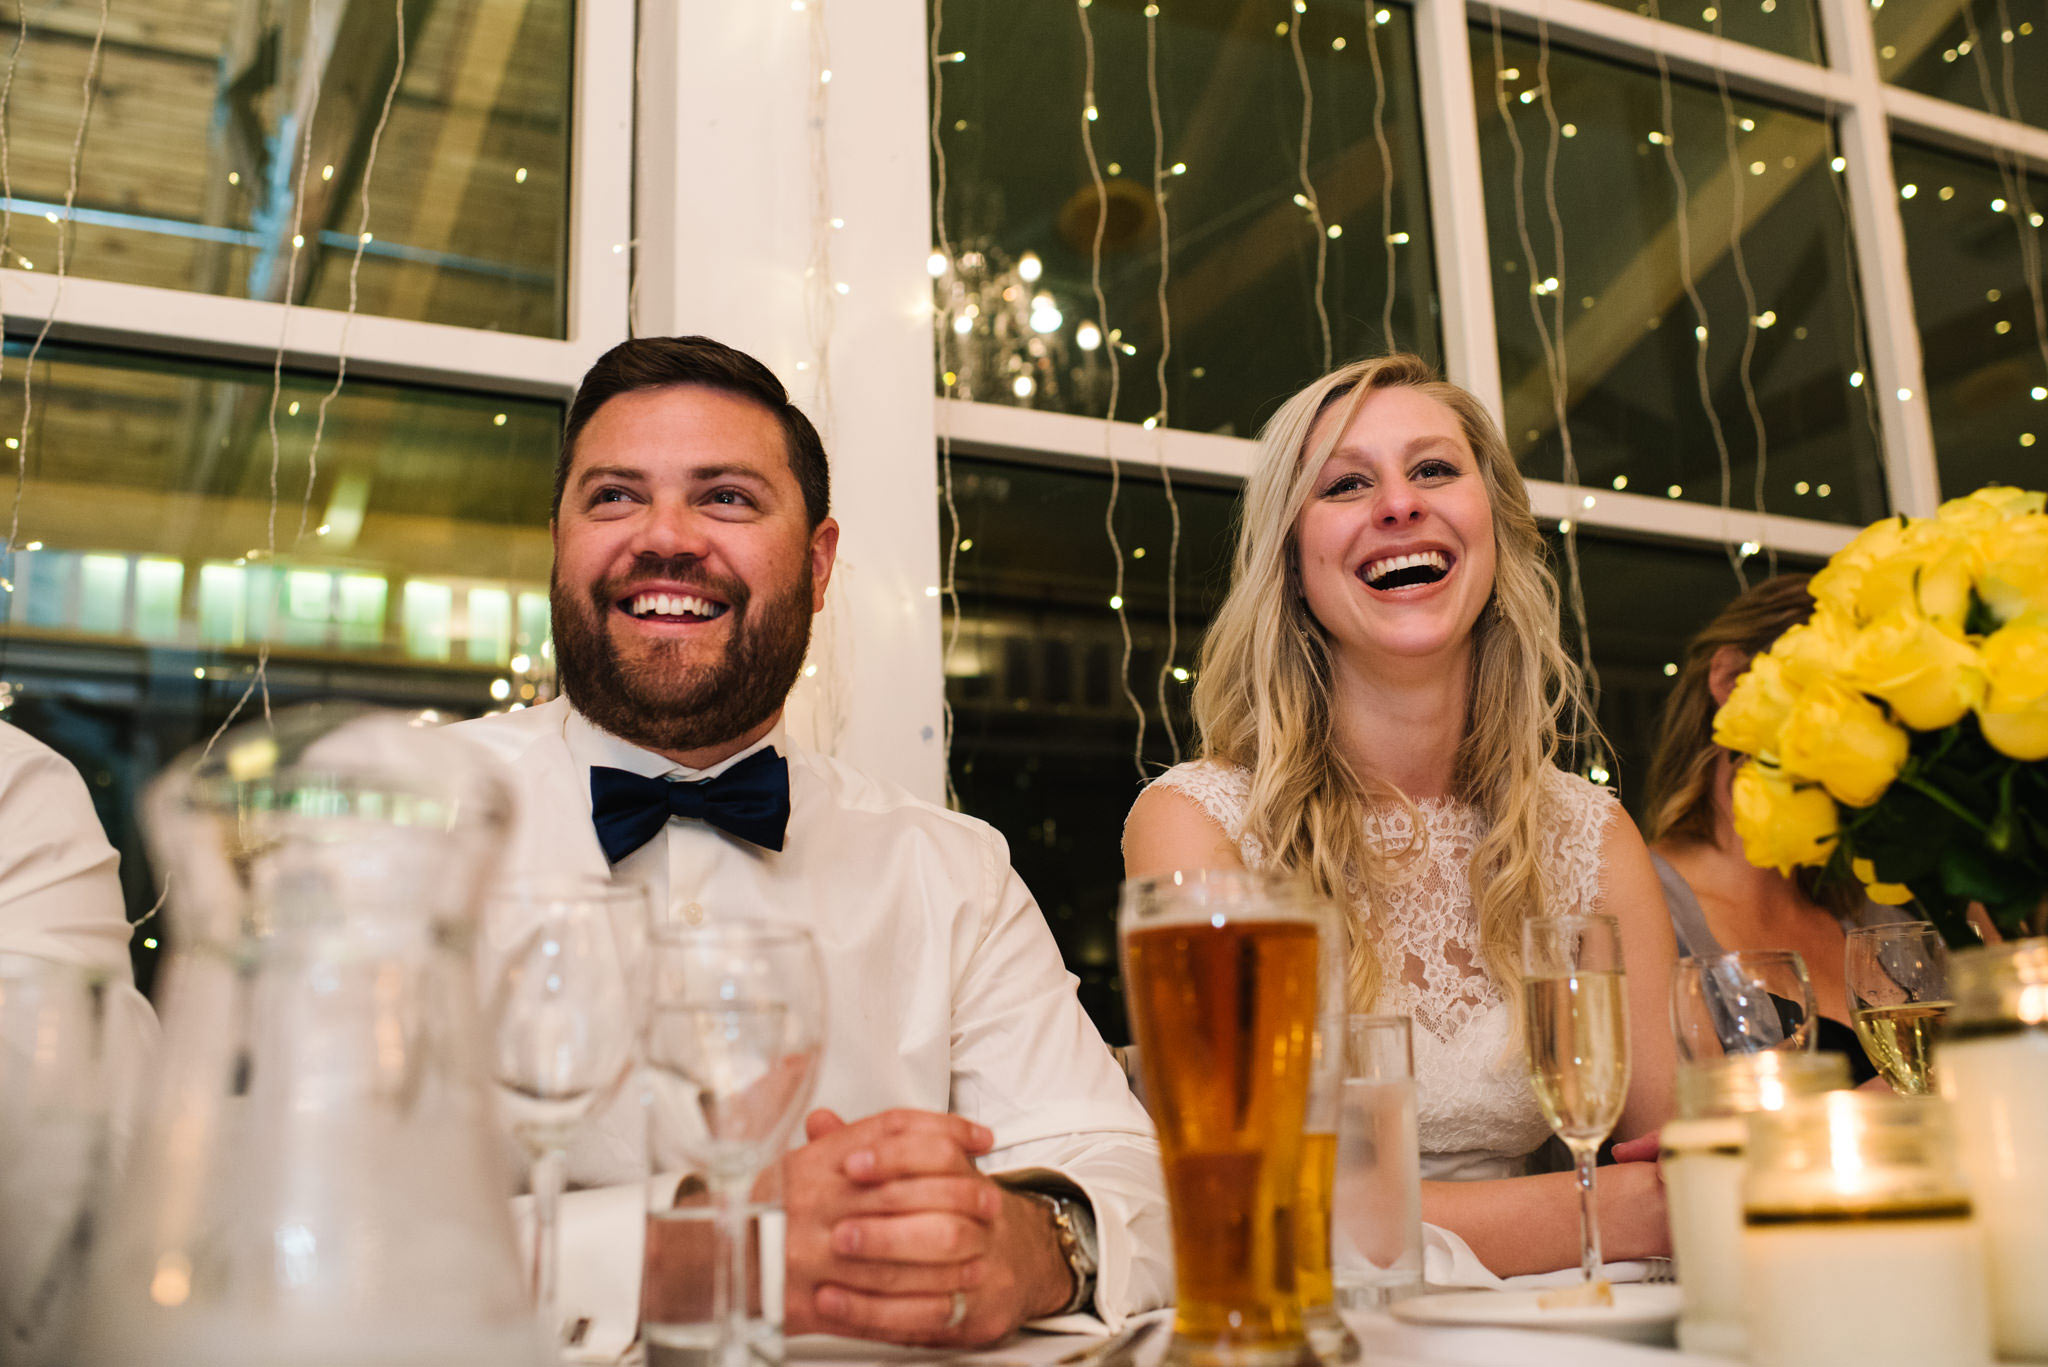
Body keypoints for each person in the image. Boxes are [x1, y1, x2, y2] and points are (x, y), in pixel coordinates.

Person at [452, 336, 1166, 1349]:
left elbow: (1118, 1165)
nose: (664, 537)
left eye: (727, 499)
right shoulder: (402, 828)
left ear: (819, 563)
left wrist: (1029, 1240)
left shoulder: (949, 867)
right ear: (558, 543)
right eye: (613, 496)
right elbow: (305, 1211)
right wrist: (687, 1253)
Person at [1122, 354, 1678, 1277]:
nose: (1398, 504)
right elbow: (1265, 1198)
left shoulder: (1590, 835)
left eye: (1433, 469)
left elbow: (1685, 1168)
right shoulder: (1198, 822)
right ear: (1293, 562)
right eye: (1347, 483)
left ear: (1494, 525)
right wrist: (1613, 1210)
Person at [1641, 573, 1910, 1086]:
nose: (1871, 729)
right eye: (1844, 694)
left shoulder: (1875, 904)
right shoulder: (1643, 905)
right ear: (1731, 681)